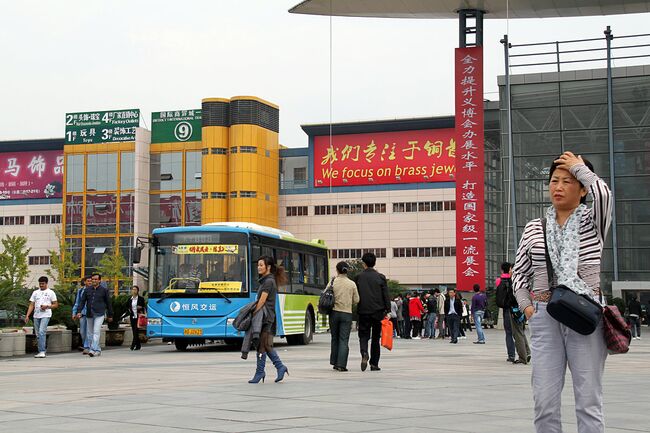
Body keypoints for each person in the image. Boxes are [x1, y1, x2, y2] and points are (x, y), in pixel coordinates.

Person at [513, 152, 612, 433]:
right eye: (554, 180)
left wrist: (579, 167)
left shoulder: (593, 222)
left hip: (586, 314)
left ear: (582, 189)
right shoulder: (534, 228)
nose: (558, 186)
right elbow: (519, 273)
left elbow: (604, 195)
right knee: (544, 400)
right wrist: (529, 309)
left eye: (568, 181)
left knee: (588, 401)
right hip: (545, 316)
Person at [248, 255, 289, 383]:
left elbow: (261, 301)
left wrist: (253, 313)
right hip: (267, 317)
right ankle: (280, 367)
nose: (259, 267)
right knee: (265, 344)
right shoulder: (267, 280)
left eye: (261, 265)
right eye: (258, 265)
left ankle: (260, 372)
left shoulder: (268, 282)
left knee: (262, 344)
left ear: (268, 267)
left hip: (266, 318)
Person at [355, 252, 390, 371]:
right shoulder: (381, 277)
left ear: (363, 263)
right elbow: (386, 295)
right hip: (378, 311)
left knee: (363, 336)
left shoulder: (358, 277)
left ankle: (364, 353)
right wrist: (388, 310)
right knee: (375, 338)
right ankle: (374, 364)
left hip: (363, 311)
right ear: (374, 263)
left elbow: (356, 296)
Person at [329, 261, 360, 372]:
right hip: (347, 313)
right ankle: (341, 365)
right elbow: (357, 300)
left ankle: (334, 362)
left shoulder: (333, 282)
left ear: (337, 270)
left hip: (334, 313)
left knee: (334, 337)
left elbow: (325, 294)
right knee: (343, 339)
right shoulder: (352, 284)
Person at [76, 273, 113, 357]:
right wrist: (79, 311)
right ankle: (98, 349)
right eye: (93, 279)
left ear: (99, 280)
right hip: (89, 314)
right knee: (90, 333)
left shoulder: (104, 290)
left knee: (96, 331)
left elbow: (108, 303)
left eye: (96, 279)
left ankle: (92, 350)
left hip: (99, 314)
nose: (94, 281)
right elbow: (82, 302)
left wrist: (110, 315)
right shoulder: (87, 290)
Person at [25, 276, 58, 358]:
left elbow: (56, 304)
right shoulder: (35, 292)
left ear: (46, 283)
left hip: (46, 314)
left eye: (43, 284)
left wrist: (47, 306)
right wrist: (27, 315)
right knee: (38, 334)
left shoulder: (51, 292)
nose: (41, 285)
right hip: (36, 315)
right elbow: (31, 305)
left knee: (41, 332)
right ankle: (41, 350)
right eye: (40, 284)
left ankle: (42, 351)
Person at [496, 262, 517, 362]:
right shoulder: (514, 280)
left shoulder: (498, 281)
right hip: (515, 307)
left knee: (508, 332)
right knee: (518, 332)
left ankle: (511, 355)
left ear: (501, 269)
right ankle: (524, 352)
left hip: (505, 309)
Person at [72, 276, 92, 354]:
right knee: (82, 332)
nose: (90, 282)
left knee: (89, 331)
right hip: (82, 313)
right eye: (88, 281)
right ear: (84, 282)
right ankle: (86, 345)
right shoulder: (80, 291)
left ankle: (88, 347)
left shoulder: (94, 290)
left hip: (91, 313)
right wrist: (74, 312)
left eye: (91, 281)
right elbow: (77, 303)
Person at [125, 285, 146, 350]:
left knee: (136, 331)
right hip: (132, 316)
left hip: (138, 316)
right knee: (134, 331)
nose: (134, 291)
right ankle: (138, 345)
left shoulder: (141, 299)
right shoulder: (130, 299)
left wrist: (140, 307)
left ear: (137, 291)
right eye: (133, 289)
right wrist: (129, 310)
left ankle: (133, 345)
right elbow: (127, 306)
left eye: (135, 289)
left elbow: (144, 306)